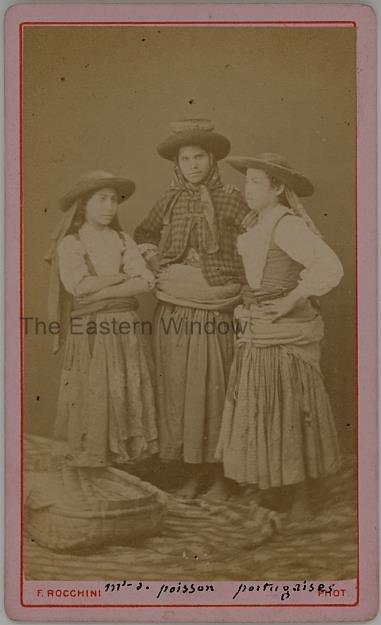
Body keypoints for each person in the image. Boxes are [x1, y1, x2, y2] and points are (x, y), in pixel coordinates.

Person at [215, 152, 343, 519]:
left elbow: (329, 266)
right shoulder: (254, 226)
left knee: (291, 405)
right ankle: (270, 484)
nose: (247, 188)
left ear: (278, 188)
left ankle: (301, 494)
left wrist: (291, 299)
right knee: (262, 404)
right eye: (247, 181)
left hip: (285, 330)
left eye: (256, 182)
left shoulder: (287, 226)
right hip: (258, 324)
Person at [134, 119, 249, 500]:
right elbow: (144, 234)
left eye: (200, 156)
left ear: (212, 158)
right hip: (174, 312)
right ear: (177, 163)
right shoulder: (169, 200)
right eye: (186, 158)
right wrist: (153, 260)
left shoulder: (233, 197)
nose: (193, 165)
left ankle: (221, 476)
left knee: (214, 393)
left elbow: (260, 239)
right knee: (180, 392)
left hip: (215, 310)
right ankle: (192, 473)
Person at [45, 171, 158, 468]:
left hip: (126, 328)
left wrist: (103, 290)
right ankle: (94, 455)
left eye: (114, 200)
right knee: (94, 389)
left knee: (123, 387)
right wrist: (121, 277)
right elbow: (78, 286)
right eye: (102, 200)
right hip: (91, 330)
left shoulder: (123, 239)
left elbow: (146, 280)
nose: (110, 206)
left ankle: (122, 458)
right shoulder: (71, 243)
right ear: (84, 205)